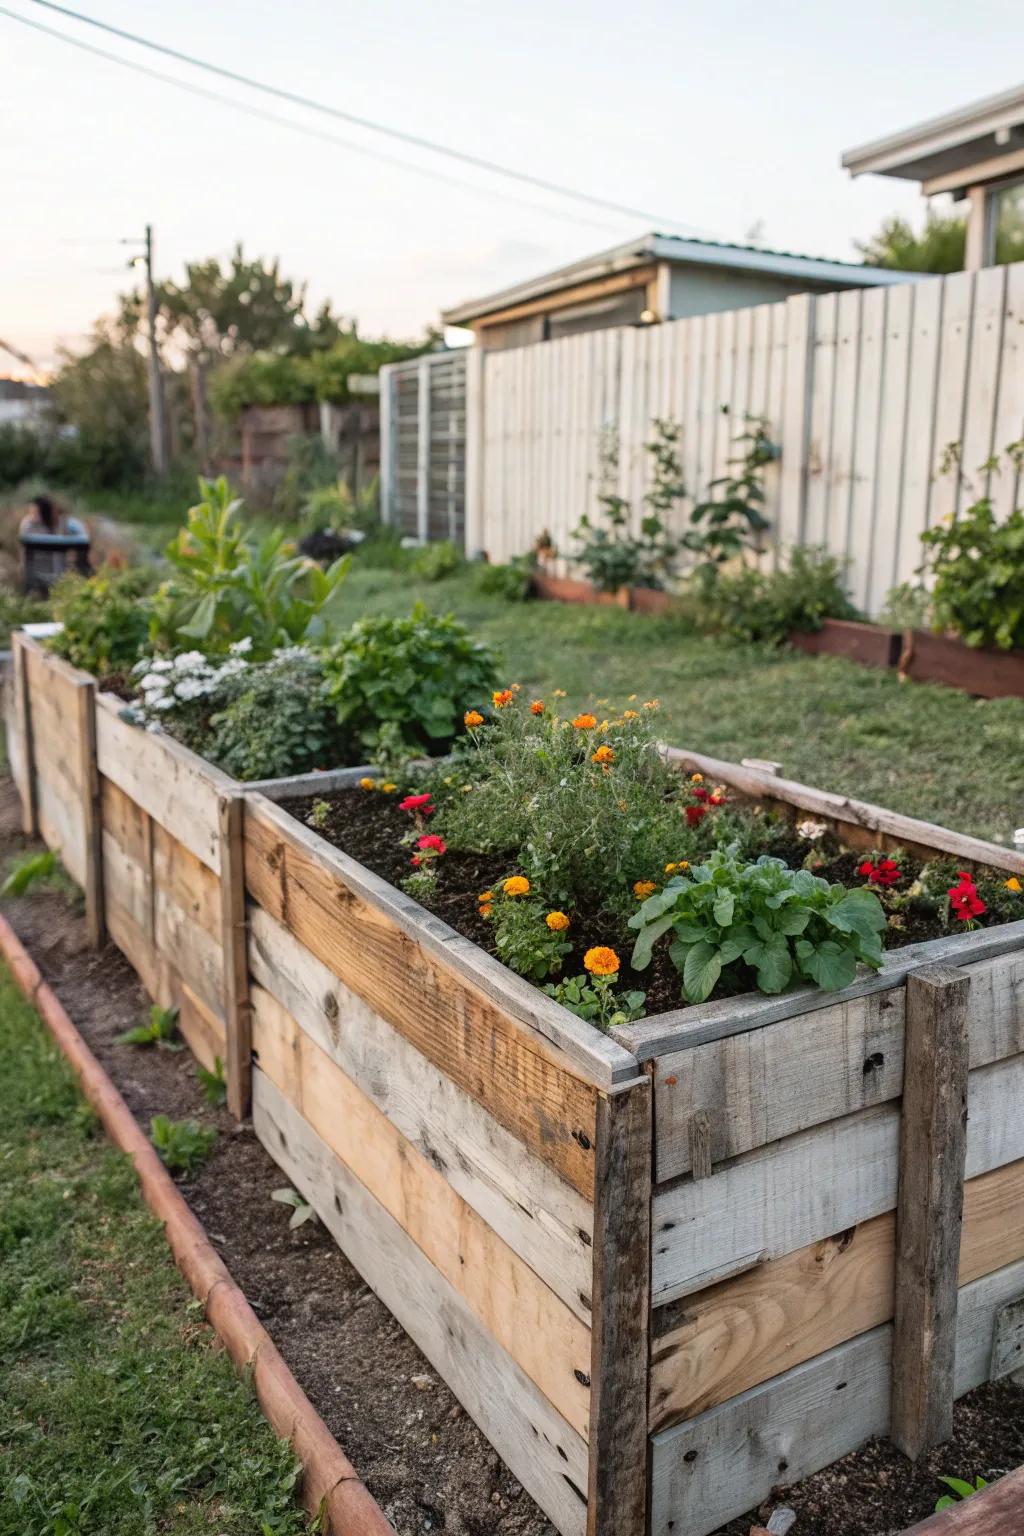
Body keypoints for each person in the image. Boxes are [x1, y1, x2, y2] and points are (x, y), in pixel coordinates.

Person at [19, 494, 90, 592]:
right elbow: (23, 536)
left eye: (35, 512)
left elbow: (83, 536)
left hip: (61, 575)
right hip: (39, 575)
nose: (33, 516)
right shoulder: (30, 525)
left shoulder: (66, 523)